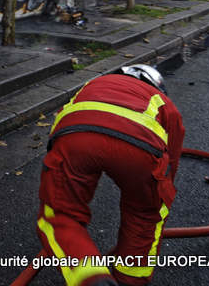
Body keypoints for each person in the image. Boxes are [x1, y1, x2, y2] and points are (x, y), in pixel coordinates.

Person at [37, 65, 184, 286]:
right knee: (145, 215)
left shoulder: (93, 84)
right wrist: (157, 194)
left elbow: (61, 126)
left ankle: (92, 278)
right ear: (157, 86)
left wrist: (58, 180)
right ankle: (129, 280)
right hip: (141, 148)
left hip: (77, 138)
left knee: (60, 213)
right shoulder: (163, 102)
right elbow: (171, 159)